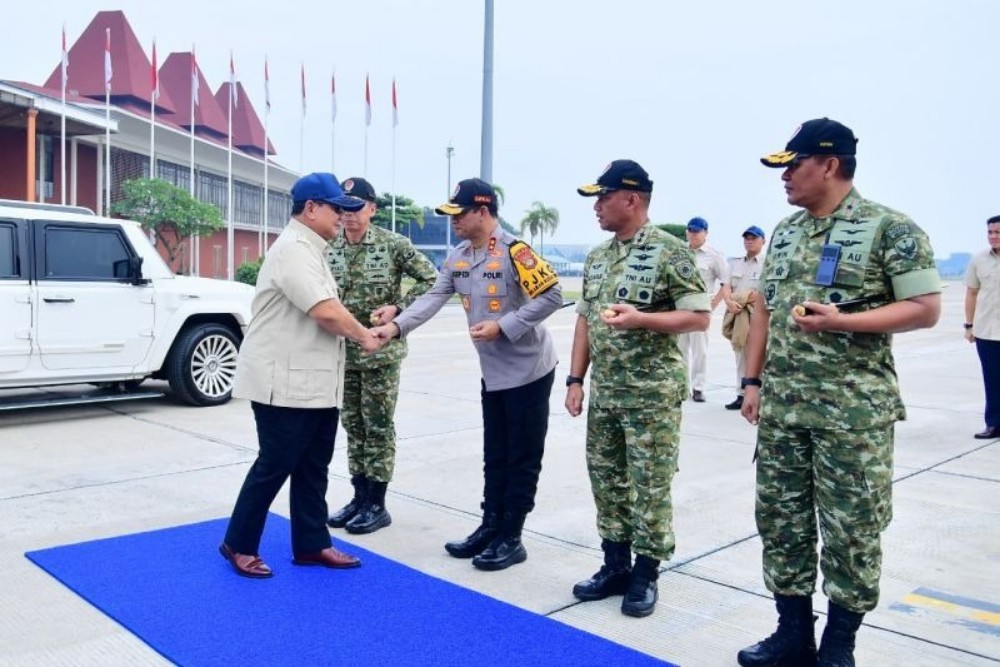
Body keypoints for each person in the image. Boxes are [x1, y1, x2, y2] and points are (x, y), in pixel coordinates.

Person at [738, 118, 941, 667]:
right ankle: (792, 633)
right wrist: (751, 382)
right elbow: (763, 311)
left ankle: (839, 644)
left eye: (793, 165)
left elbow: (925, 309)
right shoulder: (785, 231)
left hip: (853, 414)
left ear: (829, 164)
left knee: (853, 528)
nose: (784, 177)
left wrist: (842, 322)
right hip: (783, 409)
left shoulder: (889, 229)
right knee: (781, 521)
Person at [372, 178, 562, 572]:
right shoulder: (459, 256)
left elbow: (552, 296)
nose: (453, 221)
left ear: (482, 211)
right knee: (495, 453)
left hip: (529, 369)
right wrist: (394, 328)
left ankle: (512, 535)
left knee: (521, 456)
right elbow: (432, 297)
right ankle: (490, 525)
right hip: (493, 372)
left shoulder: (516, 251)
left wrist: (504, 325)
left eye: (459, 214)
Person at [566, 160, 710, 618]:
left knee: (649, 484)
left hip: (651, 394)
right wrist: (575, 379)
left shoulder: (669, 251)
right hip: (607, 390)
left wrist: (643, 319)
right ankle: (615, 565)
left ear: (632, 199)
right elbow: (585, 320)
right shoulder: (597, 257)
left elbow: (699, 315)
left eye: (603, 197)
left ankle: (646, 573)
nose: (596, 206)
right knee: (606, 479)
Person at [219, 172, 379, 578]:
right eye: (335, 209)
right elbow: (324, 310)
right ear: (311, 209)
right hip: (284, 384)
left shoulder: (313, 248)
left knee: (313, 467)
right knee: (274, 464)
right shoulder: (293, 249)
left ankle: (311, 544)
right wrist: (364, 336)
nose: (343, 217)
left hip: (314, 382)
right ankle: (238, 543)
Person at [325, 177, 437, 534]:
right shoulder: (330, 247)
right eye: (343, 209)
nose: (349, 216)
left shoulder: (393, 244)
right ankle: (359, 497)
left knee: (378, 427)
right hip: (342, 353)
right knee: (353, 425)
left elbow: (432, 282)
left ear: (372, 209)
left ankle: (377, 503)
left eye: (356, 208)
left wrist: (398, 307)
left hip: (380, 354)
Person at [678, 216, 729, 402]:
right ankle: (682, 387)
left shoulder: (714, 255)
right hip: (680, 307)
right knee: (679, 349)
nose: (693, 234)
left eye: (697, 231)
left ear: (706, 233)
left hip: (700, 308)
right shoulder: (679, 251)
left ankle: (698, 387)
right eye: (690, 230)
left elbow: (725, 282)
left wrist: (713, 305)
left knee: (700, 351)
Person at [722, 225, 766, 410]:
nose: (749, 241)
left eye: (753, 238)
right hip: (738, 314)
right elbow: (726, 286)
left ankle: (760, 392)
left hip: (758, 314)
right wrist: (729, 302)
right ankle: (741, 394)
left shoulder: (767, 263)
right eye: (746, 238)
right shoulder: (734, 263)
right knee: (740, 353)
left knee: (759, 353)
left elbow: (762, 292)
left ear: (762, 241)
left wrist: (747, 298)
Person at [964, 214, 1000, 440]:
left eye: (997, 232)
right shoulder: (979, 260)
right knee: (992, 379)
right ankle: (994, 424)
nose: (993, 236)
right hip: (986, 331)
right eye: (990, 232)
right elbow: (972, 293)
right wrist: (969, 325)